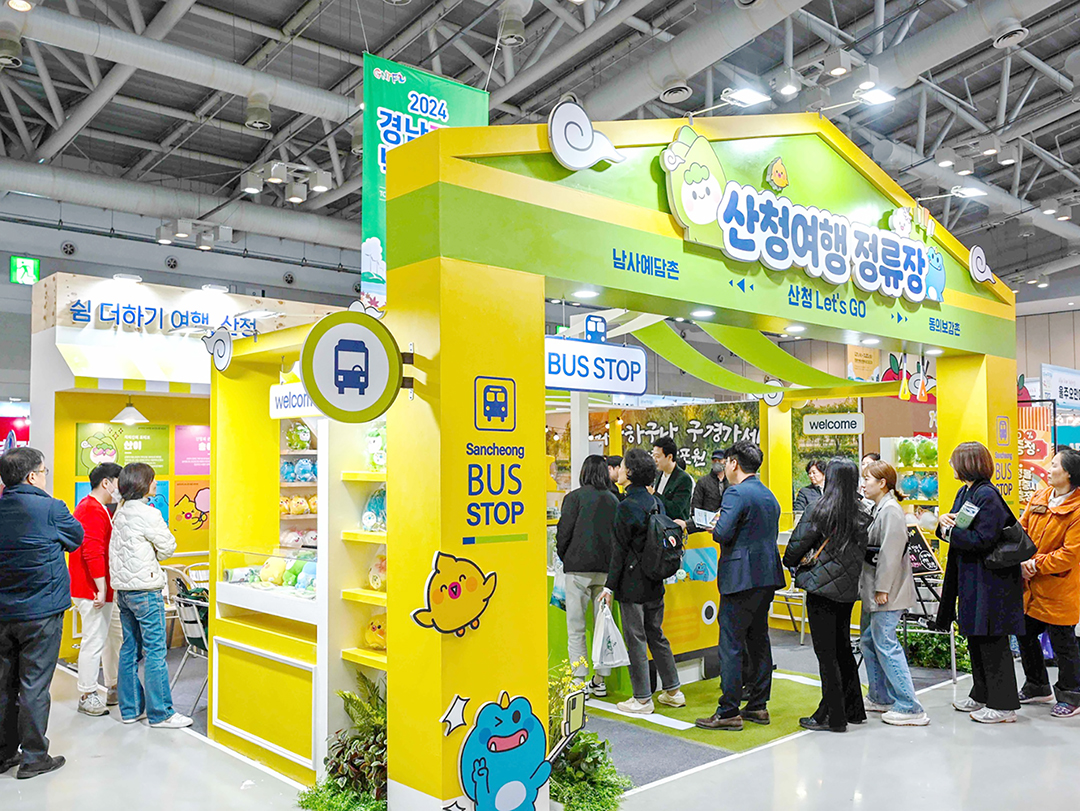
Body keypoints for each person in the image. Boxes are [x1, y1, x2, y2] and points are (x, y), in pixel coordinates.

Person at [0, 447, 84, 779]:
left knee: (4, 683)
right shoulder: (51, 508)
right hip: (41, 612)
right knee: (34, 685)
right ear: (33, 476)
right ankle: (34, 756)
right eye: (44, 471)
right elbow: (76, 538)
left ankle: (5, 753)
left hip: (3, 613)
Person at [696, 441, 785, 731]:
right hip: (766, 576)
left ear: (734, 463)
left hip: (739, 578)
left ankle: (728, 711)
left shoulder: (735, 493)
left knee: (732, 644)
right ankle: (758, 705)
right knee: (759, 639)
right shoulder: (768, 494)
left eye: (726, 462)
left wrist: (716, 525)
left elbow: (723, 533)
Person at [937, 442, 1024, 724]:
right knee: (975, 637)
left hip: (991, 580)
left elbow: (983, 539)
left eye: (954, 460)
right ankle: (981, 693)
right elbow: (956, 527)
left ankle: (1003, 705)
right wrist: (944, 523)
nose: (950, 465)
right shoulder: (966, 492)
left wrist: (950, 532)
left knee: (992, 639)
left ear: (967, 463)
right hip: (971, 577)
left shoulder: (987, 495)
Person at [783, 458, 870, 732]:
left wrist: (791, 562)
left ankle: (833, 717)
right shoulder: (862, 512)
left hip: (821, 588)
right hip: (848, 589)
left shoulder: (819, 509)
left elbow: (795, 548)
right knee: (843, 647)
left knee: (826, 654)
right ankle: (854, 709)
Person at [602, 449, 685, 714]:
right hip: (655, 579)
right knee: (656, 634)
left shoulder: (625, 507)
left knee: (635, 639)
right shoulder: (656, 502)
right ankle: (673, 690)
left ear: (630, 472)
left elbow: (619, 551)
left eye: (623, 465)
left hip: (632, 583)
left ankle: (642, 699)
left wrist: (609, 586)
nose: (619, 469)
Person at [111, 462, 191, 729]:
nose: (156, 483)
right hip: (146, 590)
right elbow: (168, 547)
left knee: (129, 649)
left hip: (123, 592)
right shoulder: (148, 513)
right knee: (155, 651)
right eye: (153, 479)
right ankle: (161, 713)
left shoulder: (120, 513)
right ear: (143, 484)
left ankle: (131, 709)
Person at [860, 461, 928, 726]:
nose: (863, 484)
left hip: (887, 592)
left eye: (868, 479)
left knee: (885, 644)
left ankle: (910, 706)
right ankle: (880, 696)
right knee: (870, 640)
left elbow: (890, 554)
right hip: (877, 590)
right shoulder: (880, 508)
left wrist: (882, 589)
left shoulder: (890, 511)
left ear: (882, 483)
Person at [1015, 449, 1080, 718]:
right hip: (1031, 588)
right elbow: (1022, 529)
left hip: (1059, 588)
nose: (1048, 469)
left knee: (1063, 642)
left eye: (1054, 465)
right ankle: (1037, 685)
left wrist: (1036, 564)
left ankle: (1072, 694)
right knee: (1024, 632)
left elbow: (1070, 554)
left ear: (1068, 474)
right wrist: (1019, 557)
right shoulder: (1040, 496)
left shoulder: (1077, 509)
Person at [557, 455, 619, 698]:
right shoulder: (613, 500)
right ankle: (600, 680)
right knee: (603, 627)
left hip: (577, 570)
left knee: (576, 628)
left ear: (583, 473)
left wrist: (565, 556)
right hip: (605, 572)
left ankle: (578, 681)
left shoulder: (573, 498)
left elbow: (563, 533)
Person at [70, 462, 124, 717]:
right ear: (106, 482)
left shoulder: (96, 507)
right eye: (118, 482)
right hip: (92, 588)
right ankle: (87, 693)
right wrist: (101, 588)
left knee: (113, 638)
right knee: (94, 640)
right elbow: (92, 551)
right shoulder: (91, 509)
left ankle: (113, 686)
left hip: (101, 587)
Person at [650, 437, 693, 522]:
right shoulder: (658, 474)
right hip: (658, 524)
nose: (655, 460)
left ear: (669, 457)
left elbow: (675, 510)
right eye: (653, 456)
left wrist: (654, 493)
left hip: (674, 526)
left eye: (657, 456)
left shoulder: (684, 479)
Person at [690, 448, 728, 525]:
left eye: (719, 460)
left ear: (725, 461)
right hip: (706, 525)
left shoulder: (731, 482)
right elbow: (695, 507)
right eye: (714, 460)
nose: (717, 463)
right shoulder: (703, 482)